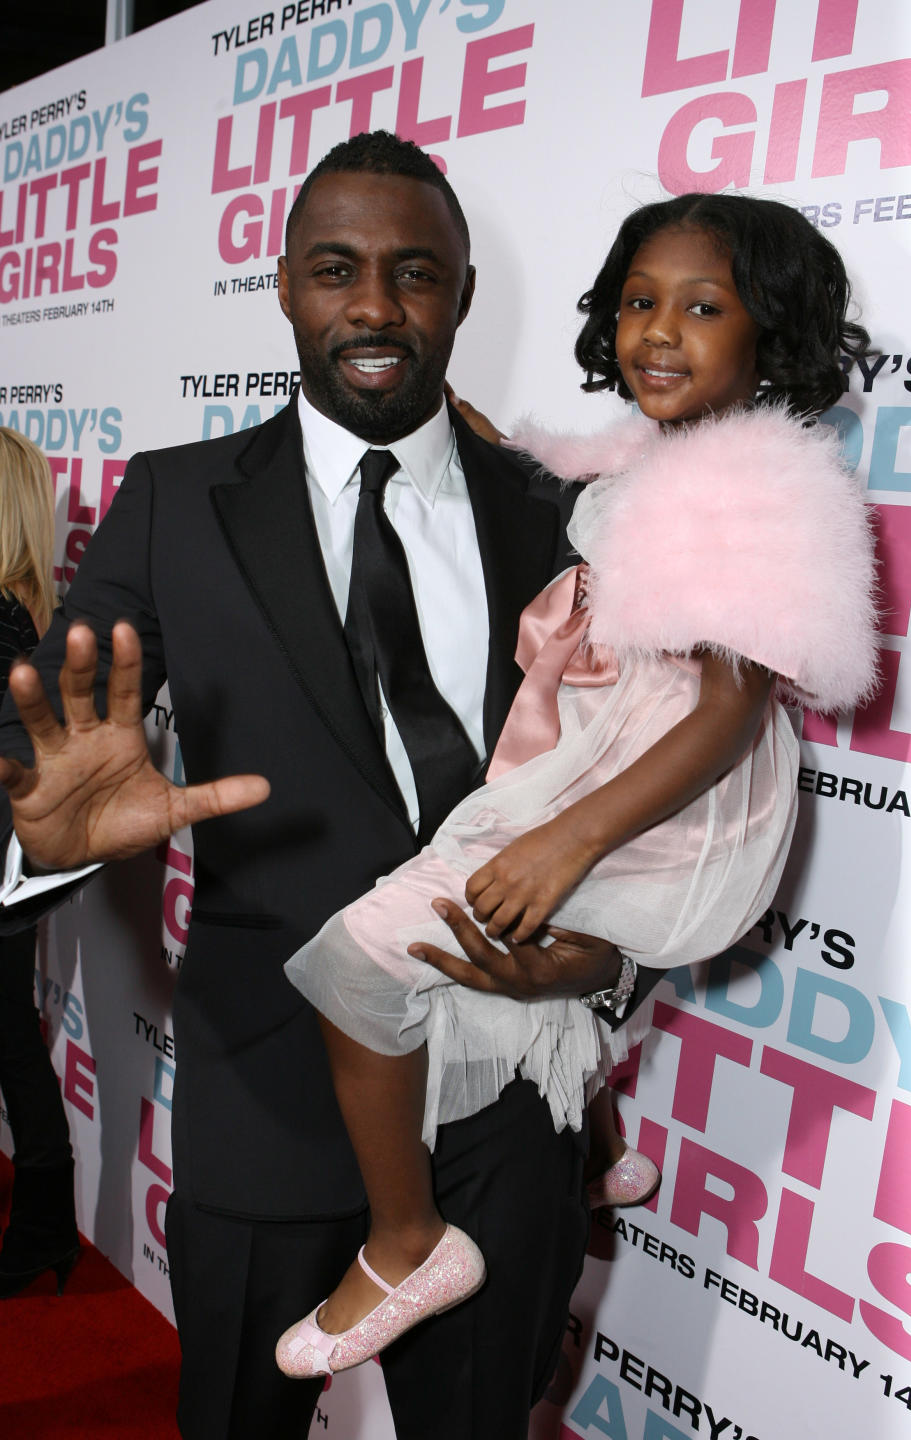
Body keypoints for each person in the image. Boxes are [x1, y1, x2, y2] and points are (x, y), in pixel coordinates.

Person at [0, 133, 634, 1440]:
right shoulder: (175, 501)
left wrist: (598, 959)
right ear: (285, 284)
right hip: (271, 1074)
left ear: (460, 297)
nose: (375, 307)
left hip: (502, 1097)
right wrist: (44, 823)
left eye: (415, 274)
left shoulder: (557, 513)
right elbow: (66, 730)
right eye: (337, 270)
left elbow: (627, 776)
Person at [275, 193, 879, 1377]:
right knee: (513, 968)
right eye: (642, 301)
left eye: (704, 307)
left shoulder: (755, 487)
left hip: (655, 800)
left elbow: (725, 712)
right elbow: (586, 508)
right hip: (605, 768)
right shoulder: (656, 463)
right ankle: (605, 1145)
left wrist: (565, 842)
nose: (660, 331)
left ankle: (407, 1242)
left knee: (361, 960)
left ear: (775, 335)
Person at [0, 429, 81, 1298]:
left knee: (12, 1038)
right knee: (12, 1036)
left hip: (6, 865)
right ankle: (46, 1225)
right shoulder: (26, 610)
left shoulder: (0, 614)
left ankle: (45, 1225)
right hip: (11, 867)